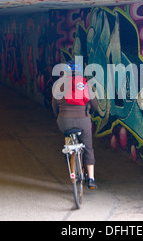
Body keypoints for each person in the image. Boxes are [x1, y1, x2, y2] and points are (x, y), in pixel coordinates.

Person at [52, 60, 99, 189]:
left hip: (64, 121)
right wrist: (91, 112)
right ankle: (91, 178)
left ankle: (70, 157)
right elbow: (94, 104)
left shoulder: (58, 85)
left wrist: (58, 115)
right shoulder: (85, 84)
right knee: (88, 147)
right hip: (83, 120)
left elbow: (54, 106)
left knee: (67, 135)